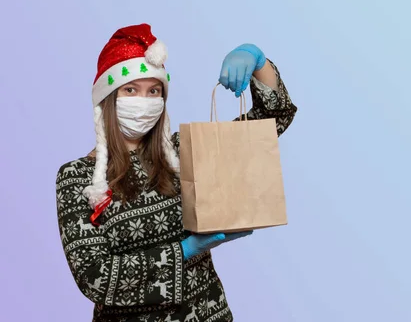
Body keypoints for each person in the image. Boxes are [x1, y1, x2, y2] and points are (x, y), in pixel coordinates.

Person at [55, 23, 297, 322]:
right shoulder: (78, 177)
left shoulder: (185, 151)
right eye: (131, 90)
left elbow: (270, 124)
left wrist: (258, 61)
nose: (143, 101)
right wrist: (183, 250)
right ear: (107, 98)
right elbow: (94, 277)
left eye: (153, 91)